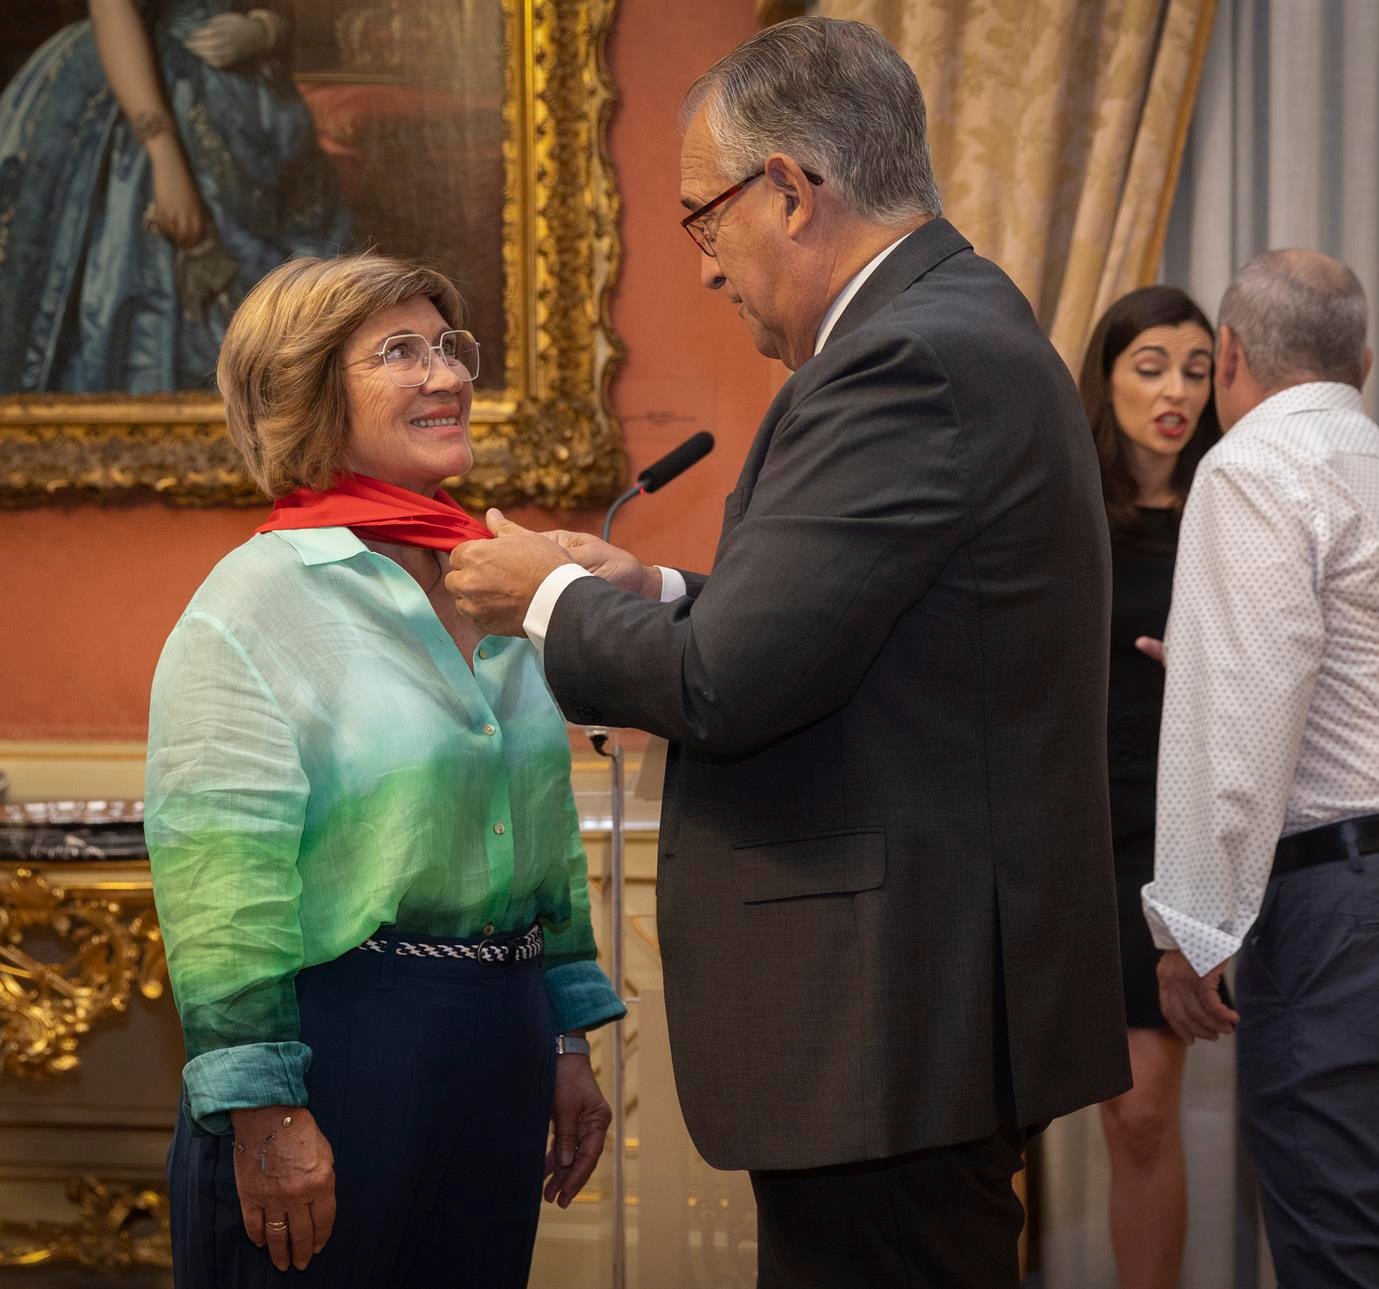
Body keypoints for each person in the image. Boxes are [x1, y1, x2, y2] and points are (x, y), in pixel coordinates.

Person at [444, 18, 1129, 1287]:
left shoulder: (902, 359)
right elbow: (871, 627)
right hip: (918, 1012)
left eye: (705, 219)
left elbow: (730, 682)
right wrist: (653, 583)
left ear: (792, 192)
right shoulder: (954, 322)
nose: (706, 267)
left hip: (889, 1020)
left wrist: (544, 601)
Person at [146, 254, 622, 1285]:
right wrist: (268, 1113)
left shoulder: (499, 579)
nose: (445, 374)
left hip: (500, 1042)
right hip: (338, 1049)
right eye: (399, 351)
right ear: (311, 389)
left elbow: (538, 831)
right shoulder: (253, 602)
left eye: (448, 345)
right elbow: (218, 894)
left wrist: (563, 1041)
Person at [1142, 250, 1379, 1289]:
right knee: (1372, 1250)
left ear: (1235, 357)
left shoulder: (1251, 463)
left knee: (1339, 1266)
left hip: (1346, 914)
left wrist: (1189, 925)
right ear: (1364, 363)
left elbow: (1245, 720)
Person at [0, 0, 349, 394]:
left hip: (250, 103)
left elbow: (309, 13)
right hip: (132, 89)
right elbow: (111, 6)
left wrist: (263, 29)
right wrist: (163, 154)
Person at [1076, 285, 1220, 1289]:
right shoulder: (1062, 505)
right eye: (1152, 363)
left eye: (1199, 368)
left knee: (1139, 1109)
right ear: (1109, 376)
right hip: (1059, 825)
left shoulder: (1230, 505)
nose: (1177, 390)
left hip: (1165, 831)